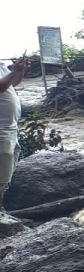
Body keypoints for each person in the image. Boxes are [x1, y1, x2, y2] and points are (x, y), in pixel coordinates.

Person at [0, 55, 30, 209]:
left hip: (10, 128)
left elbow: (12, 83)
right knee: (1, 175)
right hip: (2, 130)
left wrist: (20, 71)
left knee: (6, 175)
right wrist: (14, 72)